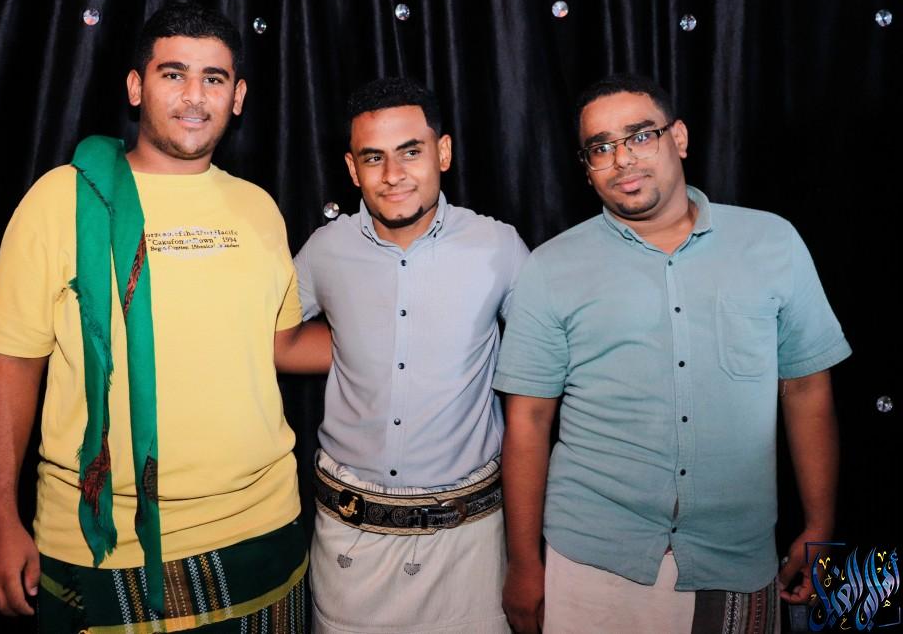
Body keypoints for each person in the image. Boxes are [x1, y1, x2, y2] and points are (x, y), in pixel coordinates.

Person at [0, 3, 329, 633]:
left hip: (265, 526)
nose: (194, 96)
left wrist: (408, 334)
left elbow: (282, 344)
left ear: (238, 96)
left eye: (213, 78)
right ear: (136, 87)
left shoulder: (259, 208)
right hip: (107, 543)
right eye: (173, 74)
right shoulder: (64, 198)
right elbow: (12, 362)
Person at [494, 73, 851, 634]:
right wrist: (522, 564)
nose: (622, 159)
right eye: (601, 147)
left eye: (640, 136)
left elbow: (806, 389)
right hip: (592, 563)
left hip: (736, 557)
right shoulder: (550, 267)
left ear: (678, 138)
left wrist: (820, 524)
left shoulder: (772, 242)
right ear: (586, 168)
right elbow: (528, 421)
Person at [293, 77, 529, 633]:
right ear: (352, 169)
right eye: (373, 157)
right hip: (350, 546)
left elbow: (544, 372)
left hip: (468, 546)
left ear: (442, 153)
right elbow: (273, 340)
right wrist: (356, 348)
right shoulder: (325, 250)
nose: (393, 174)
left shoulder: (498, 247)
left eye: (410, 152)